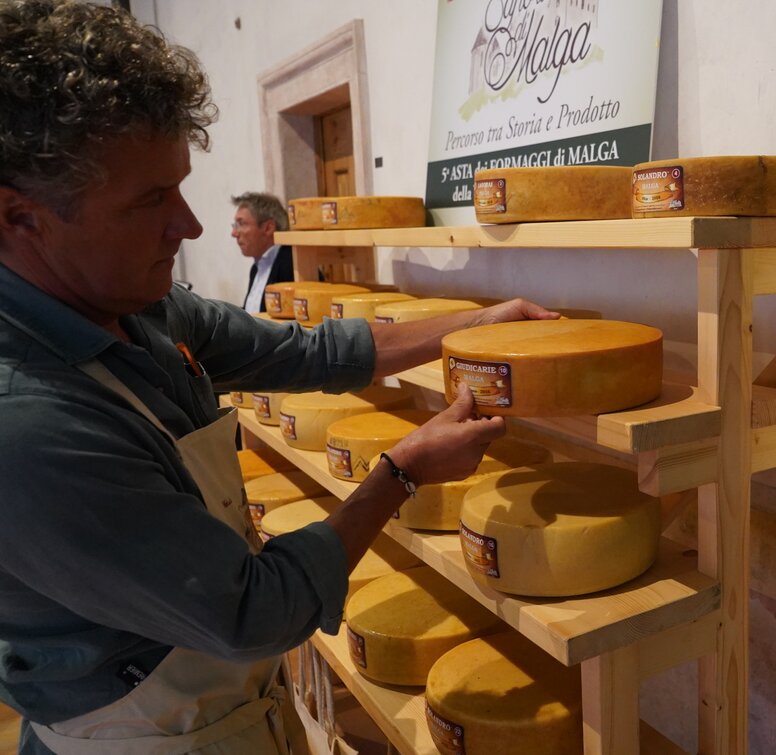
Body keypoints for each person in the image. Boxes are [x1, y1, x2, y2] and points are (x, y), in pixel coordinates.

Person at [0, 2, 557, 753]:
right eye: (149, 201)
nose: (192, 227)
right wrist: (401, 472)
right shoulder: (30, 425)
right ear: (20, 217)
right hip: (140, 735)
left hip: (230, 703)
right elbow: (253, 612)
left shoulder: (139, 307)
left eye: (179, 187)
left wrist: (465, 329)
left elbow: (308, 352)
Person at [232, 192, 294, 314]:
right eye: (235, 225)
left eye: (241, 224)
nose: (234, 233)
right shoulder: (257, 267)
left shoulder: (292, 264)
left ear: (268, 228)